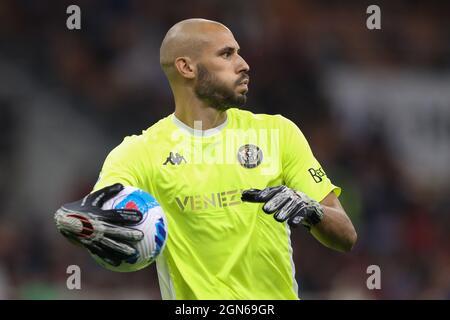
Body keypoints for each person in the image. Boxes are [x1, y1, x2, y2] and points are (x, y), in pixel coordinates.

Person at [54, 18, 357, 300]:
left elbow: (346, 236)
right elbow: (100, 216)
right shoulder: (139, 153)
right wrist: (79, 224)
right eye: (227, 55)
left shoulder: (277, 133)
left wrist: (311, 210)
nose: (244, 64)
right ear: (186, 67)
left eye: (239, 53)